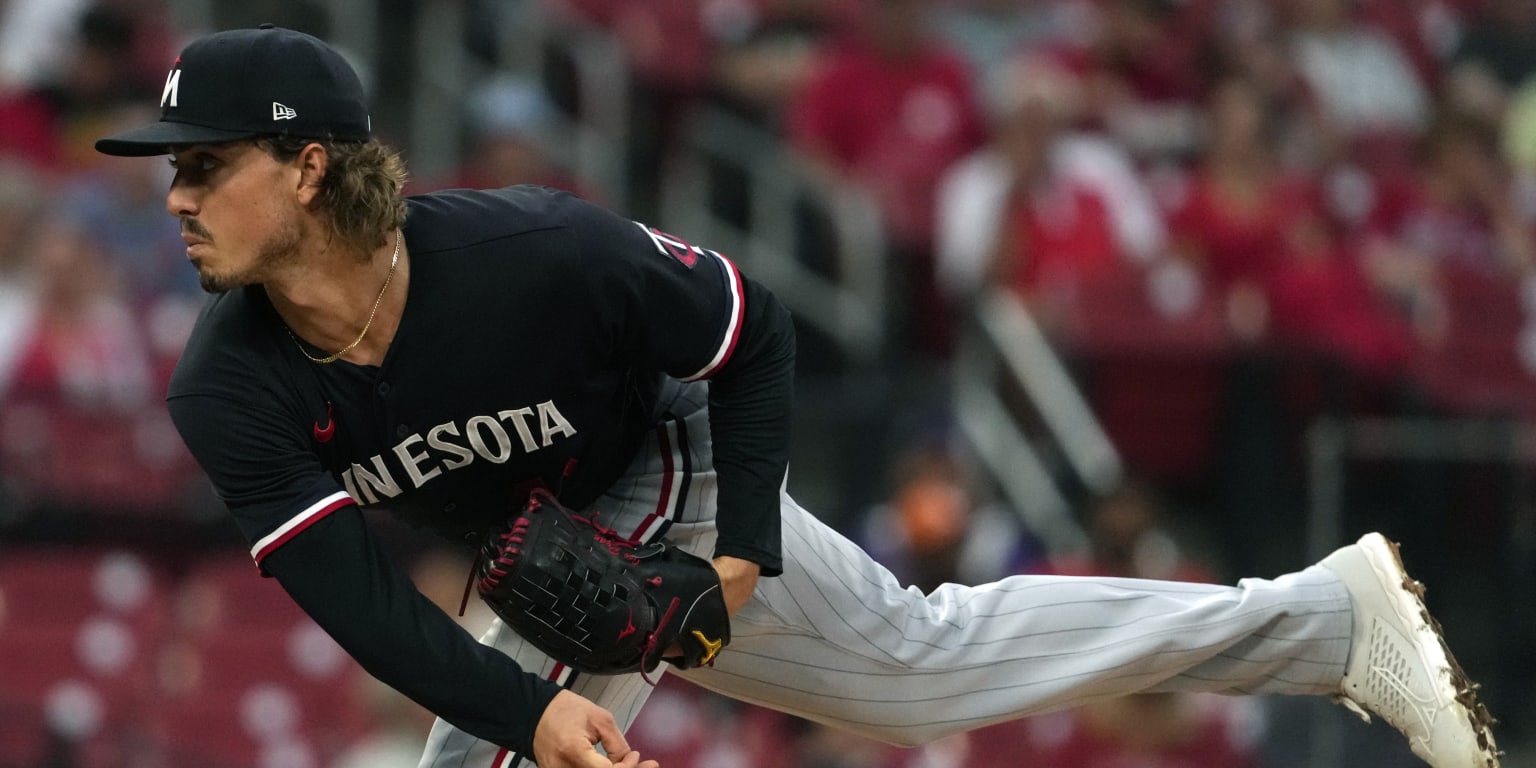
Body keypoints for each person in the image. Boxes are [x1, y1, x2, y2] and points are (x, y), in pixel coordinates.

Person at [94, 25, 1501, 768]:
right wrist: (533, 714)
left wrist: (743, 555)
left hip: (674, 450)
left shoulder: (536, 254)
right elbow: (363, 605)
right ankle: (1326, 619)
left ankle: (1326, 622)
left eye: (202, 165)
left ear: (312, 169)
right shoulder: (228, 386)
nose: (175, 196)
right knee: (916, 676)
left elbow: (748, 332)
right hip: (543, 545)